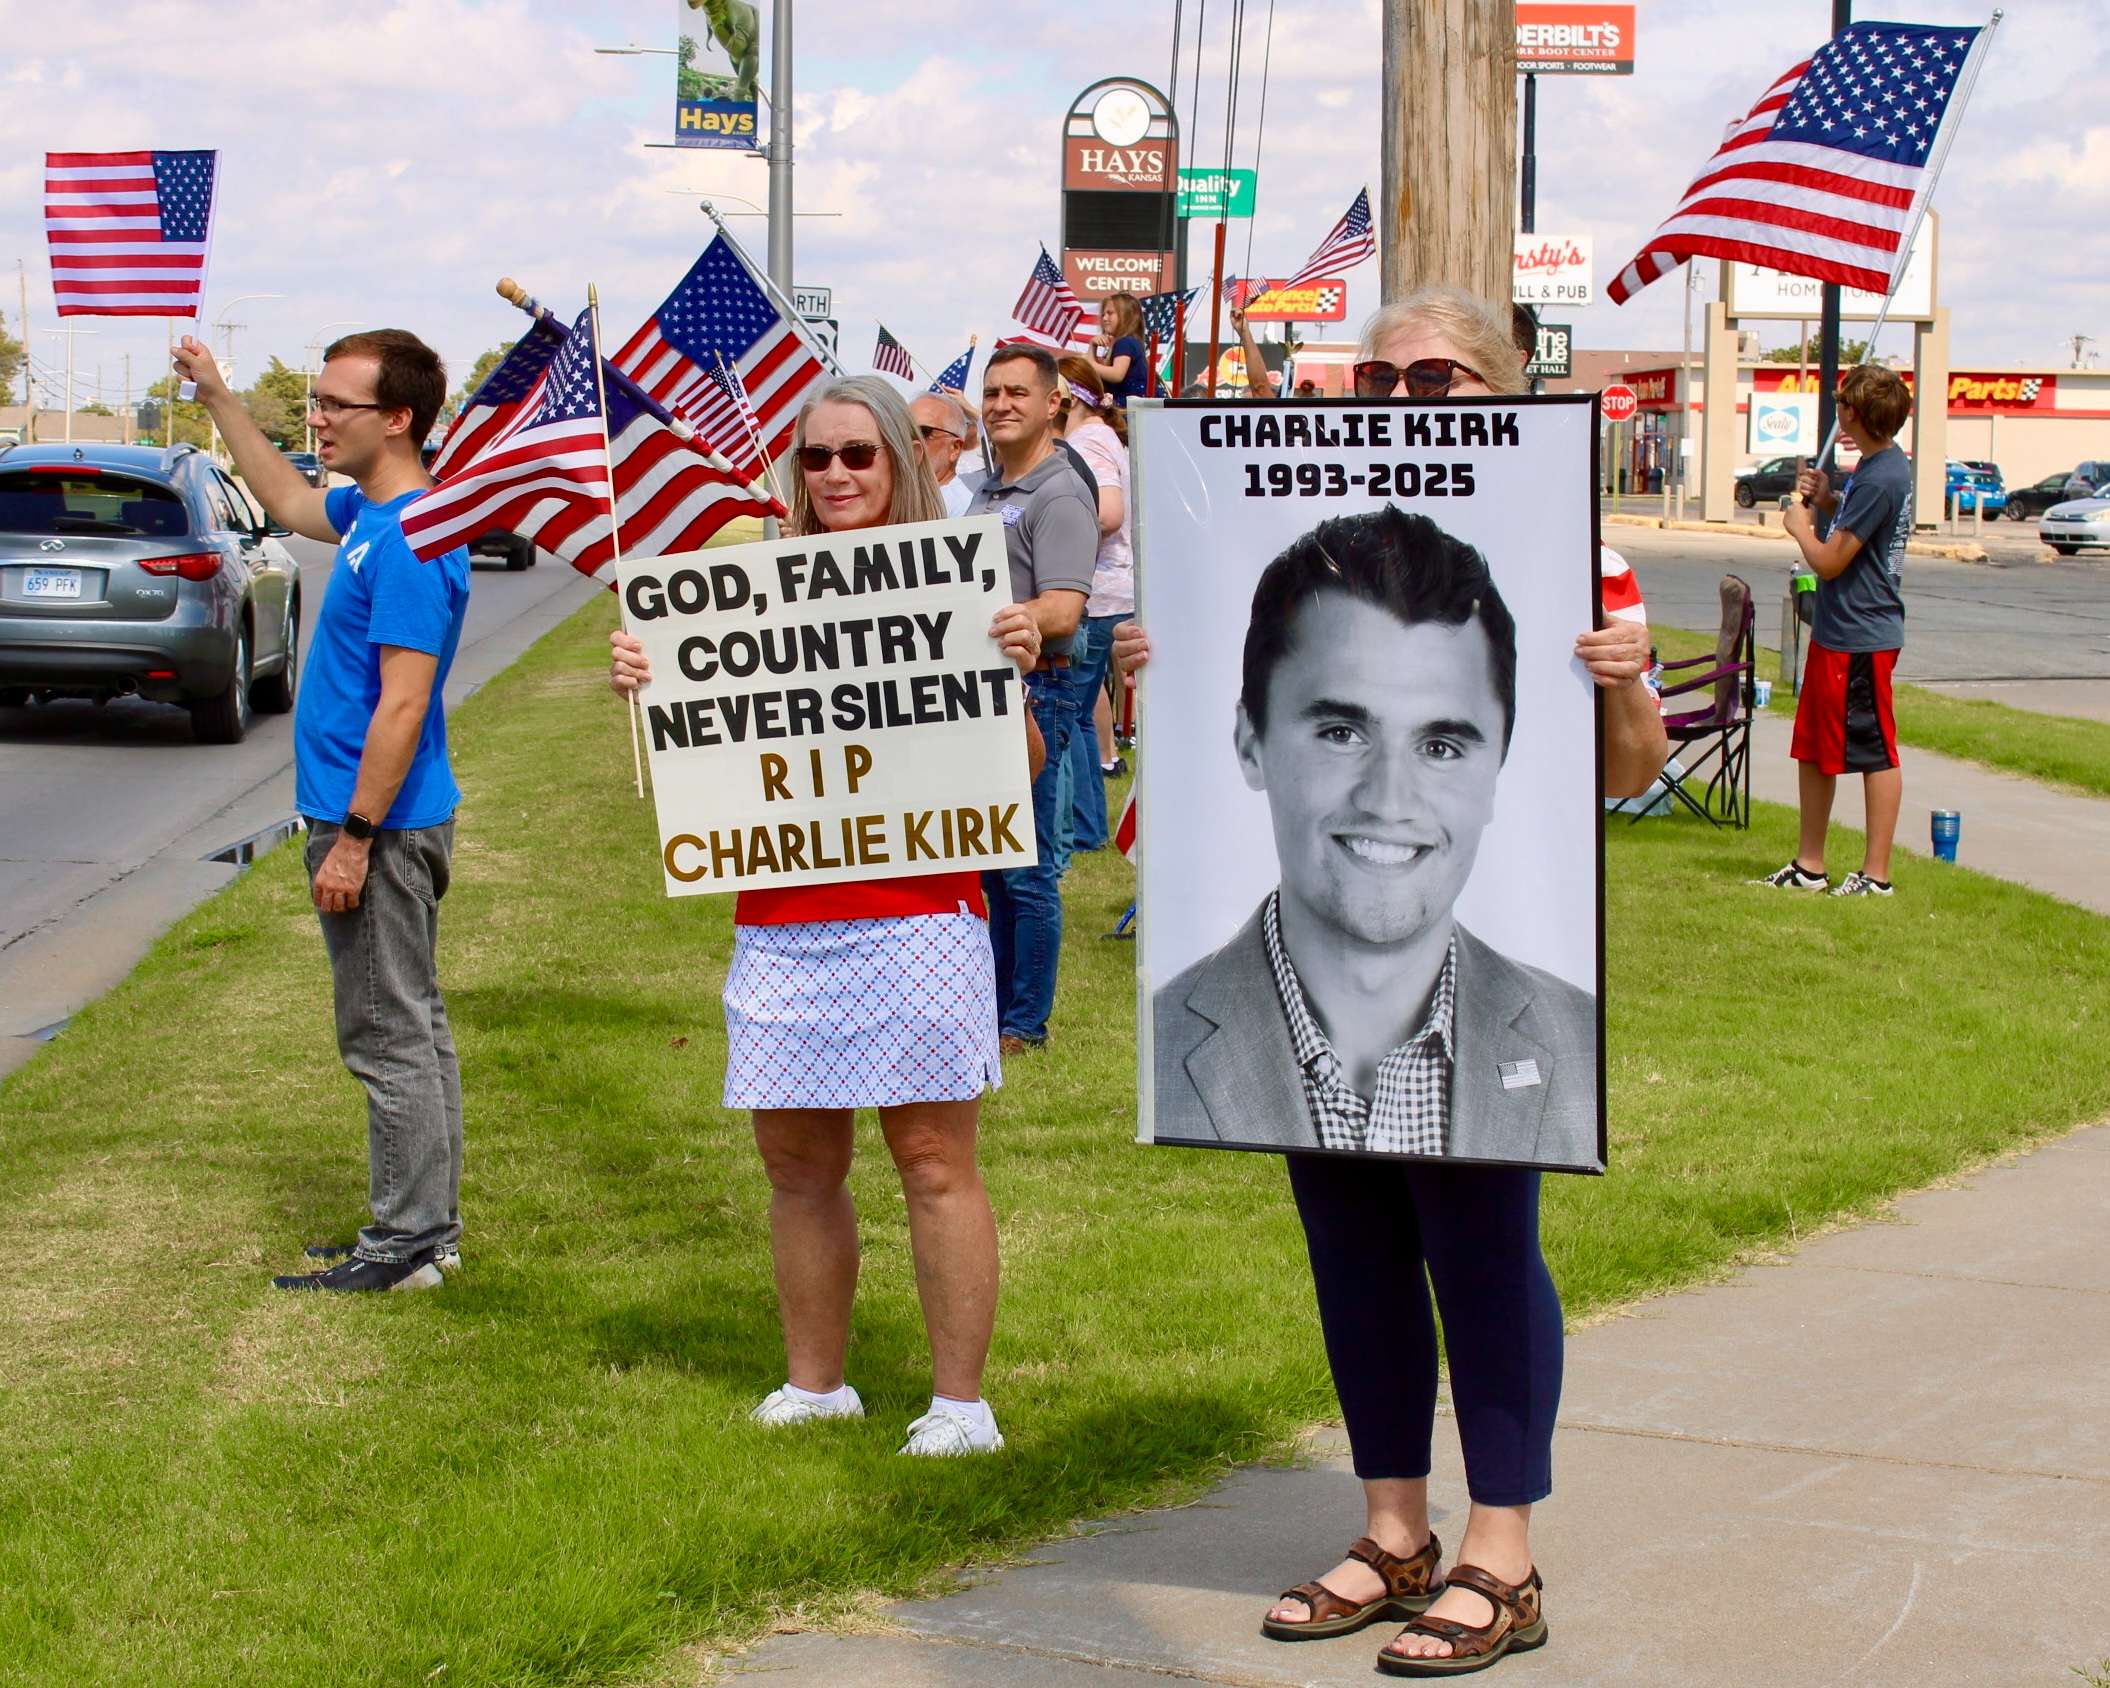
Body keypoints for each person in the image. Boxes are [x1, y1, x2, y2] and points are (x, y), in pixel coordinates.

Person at [1118, 288, 1665, 1677]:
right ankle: (1391, 1530)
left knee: (1481, 1249)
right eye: (1378, 373)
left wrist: (1619, 685)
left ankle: (1502, 1552)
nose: (1401, 393)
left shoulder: (1569, 546)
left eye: (1437, 376)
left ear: (1504, 387)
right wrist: (1151, 672)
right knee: (1352, 1248)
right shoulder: (1279, 524)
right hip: (1294, 1011)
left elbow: (1624, 771)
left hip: (1481, 1005)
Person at [609, 376, 1044, 1456]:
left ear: (900, 459)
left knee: (934, 1160)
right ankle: (816, 1384)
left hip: (921, 912)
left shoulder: (959, 593)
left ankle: (960, 1406)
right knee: (798, 1168)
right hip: (784, 913)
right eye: (816, 458)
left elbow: (1022, 772)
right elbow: (713, 761)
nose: (837, 475)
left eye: (858, 454)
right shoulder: (750, 595)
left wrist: (1011, 672)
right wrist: (651, 682)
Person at [1150, 507, 1599, 1168]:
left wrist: (1618, 685)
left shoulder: (1578, 1040)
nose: (1388, 800)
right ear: (1251, 742)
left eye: (1441, 746)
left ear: (1498, 765)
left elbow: (1637, 763)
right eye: (1341, 733)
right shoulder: (1163, 1045)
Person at [171, 329, 472, 1293]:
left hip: (375, 828)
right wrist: (218, 396)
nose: (319, 419)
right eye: (317, 402)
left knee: (383, 1033)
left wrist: (352, 841)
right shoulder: (372, 518)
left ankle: (404, 1245)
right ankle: (429, 1228)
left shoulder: (416, 537)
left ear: (399, 419)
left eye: (337, 405)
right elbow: (289, 499)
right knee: (412, 1026)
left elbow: (404, 701)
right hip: (373, 822)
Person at [969, 343, 1098, 1052]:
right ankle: (993, 1015)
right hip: (987, 692)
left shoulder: (1059, 493)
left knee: (1029, 869)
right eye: (991, 393)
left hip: (1037, 688)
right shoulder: (988, 491)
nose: (1001, 405)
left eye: (1017, 392)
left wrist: (1003, 619)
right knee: (991, 865)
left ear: (1054, 403)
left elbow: (1064, 608)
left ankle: (1025, 1024)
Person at [1766, 363, 1914, 898]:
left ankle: (1876, 876)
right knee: (1813, 747)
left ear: (1859, 414)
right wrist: (1828, 500)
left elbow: (1830, 562)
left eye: (1842, 405)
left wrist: (1801, 528)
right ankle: (1810, 866)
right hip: (1838, 632)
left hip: (1863, 637)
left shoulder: (1882, 476)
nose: (1838, 413)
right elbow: (1852, 534)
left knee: (1875, 750)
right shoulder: (1872, 469)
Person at [1050, 357, 1133, 862]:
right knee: (1079, 713)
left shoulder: (1089, 442)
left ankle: (1083, 826)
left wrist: (1059, 527)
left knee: (1071, 713)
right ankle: (1088, 824)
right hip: (1106, 587)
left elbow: (1110, 512)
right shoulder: (1100, 437)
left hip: (1098, 589)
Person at [909, 390, 977, 517]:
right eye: (905, 430)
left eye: (923, 432)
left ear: (955, 448)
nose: (912, 441)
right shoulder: (895, 500)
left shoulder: (965, 510)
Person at [1084, 292, 1149, 407]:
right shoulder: (1130, 342)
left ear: (1127, 316)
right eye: (1103, 314)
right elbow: (1090, 373)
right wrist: (1092, 346)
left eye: (1110, 313)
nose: (1104, 318)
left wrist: (1089, 363)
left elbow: (1117, 374)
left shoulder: (1125, 343)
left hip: (1128, 410)